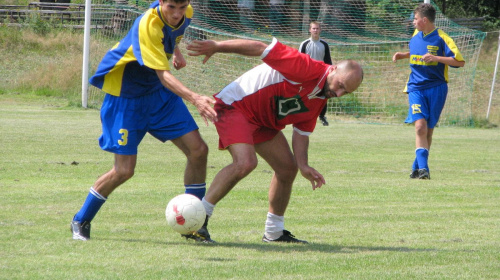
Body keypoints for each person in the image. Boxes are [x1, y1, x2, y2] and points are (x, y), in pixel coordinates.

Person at [186, 37, 363, 243]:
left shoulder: (322, 96)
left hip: (263, 122)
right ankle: (198, 219)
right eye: (340, 85)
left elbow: (301, 132)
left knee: (288, 168)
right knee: (246, 162)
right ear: (332, 70)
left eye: (346, 92)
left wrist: (303, 165)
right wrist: (217, 46)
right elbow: (261, 48)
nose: (338, 93)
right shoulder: (305, 67)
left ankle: (274, 232)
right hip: (235, 105)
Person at [70, 0, 217, 241]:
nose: (177, 14)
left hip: (159, 97)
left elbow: (173, 35)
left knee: (198, 150)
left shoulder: (185, 13)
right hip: (126, 99)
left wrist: (176, 51)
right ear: (161, 2)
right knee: (124, 171)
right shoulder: (147, 24)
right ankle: (81, 219)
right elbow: (163, 74)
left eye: (182, 7)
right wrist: (195, 99)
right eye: (171, 7)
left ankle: (195, 224)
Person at [392, 3, 464, 180]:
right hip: (416, 87)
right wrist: (404, 55)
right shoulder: (416, 34)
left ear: (424, 20)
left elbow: (459, 61)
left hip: (437, 88)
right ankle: (424, 170)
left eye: (415, 19)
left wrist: (436, 58)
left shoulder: (442, 37)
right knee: (420, 127)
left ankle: (417, 167)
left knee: (428, 131)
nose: (413, 22)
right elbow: (418, 51)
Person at [299, 21, 332, 126]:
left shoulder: (324, 45)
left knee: (324, 95)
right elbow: (300, 61)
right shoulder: (304, 44)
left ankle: (322, 116)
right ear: (310, 30)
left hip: (321, 75)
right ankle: (302, 116)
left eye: (317, 28)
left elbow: (328, 62)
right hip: (308, 75)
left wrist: (329, 74)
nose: (315, 30)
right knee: (305, 96)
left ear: (320, 30)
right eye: (313, 28)